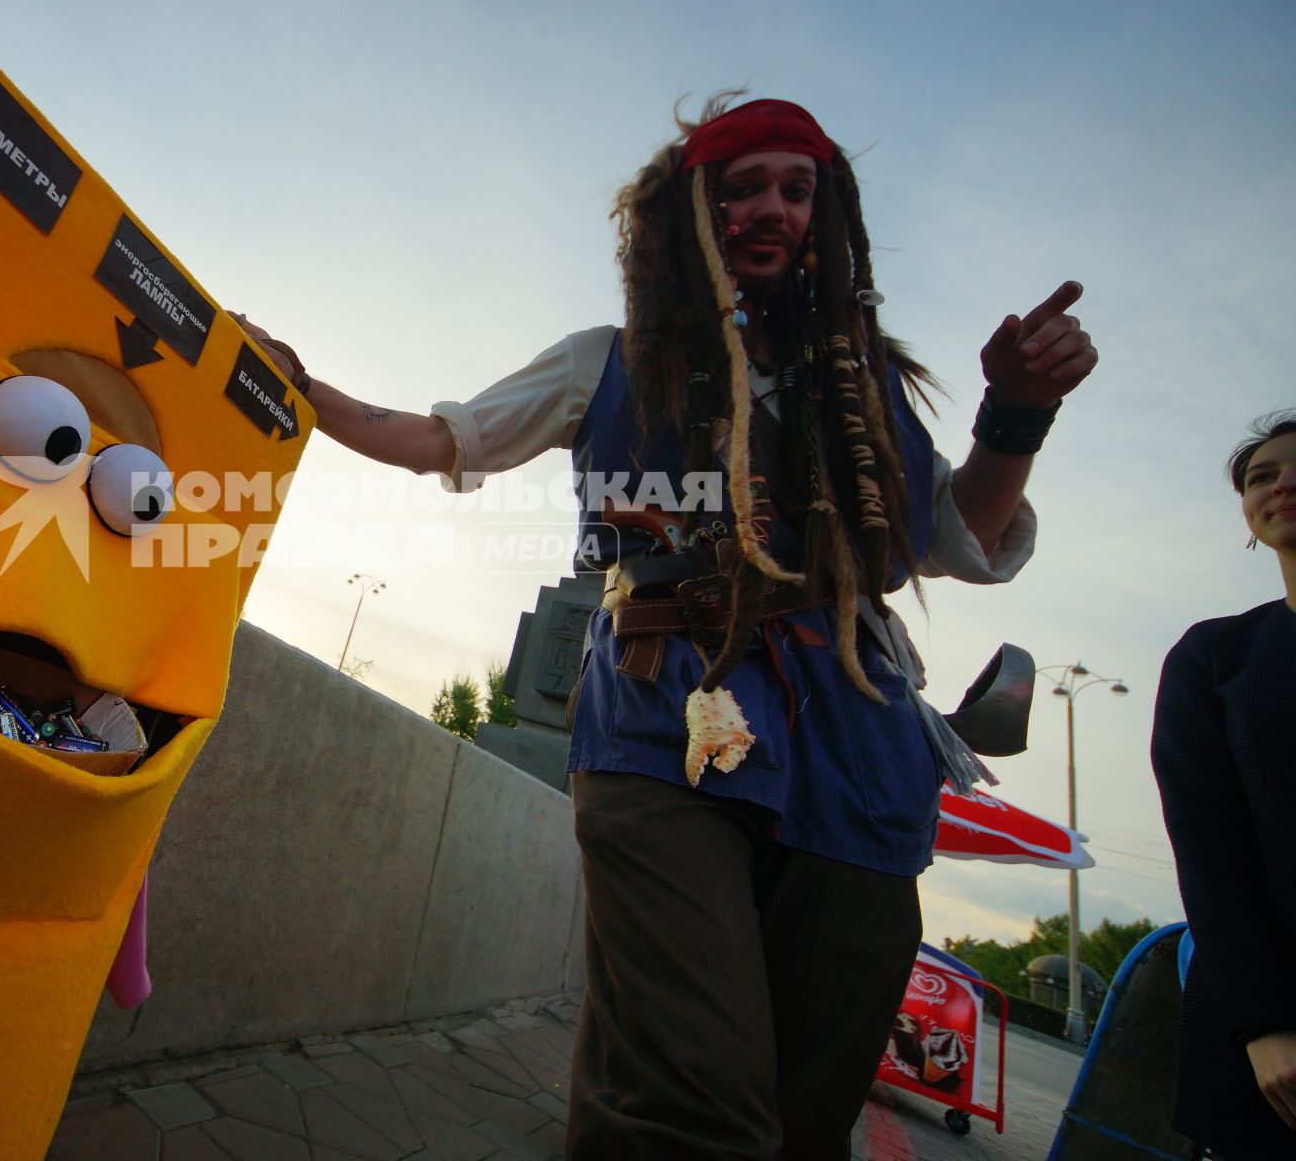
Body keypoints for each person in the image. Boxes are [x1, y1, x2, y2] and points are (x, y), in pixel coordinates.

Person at [243, 94, 1097, 1159]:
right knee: (688, 1090)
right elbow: (433, 438)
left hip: (858, 743)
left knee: (809, 1092)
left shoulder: (864, 383)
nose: (769, 208)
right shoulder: (605, 359)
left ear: (826, 218)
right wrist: (301, 383)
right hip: (663, 712)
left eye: (796, 188)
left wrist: (1015, 414)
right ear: (686, 214)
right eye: (741, 187)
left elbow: (952, 541)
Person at [1151, 410, 1296, 1159]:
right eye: (1261, 475)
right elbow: (1208, 845)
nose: (1282, 484)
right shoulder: (1216, 658)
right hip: (1269, 1052)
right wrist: (1262, 1024)